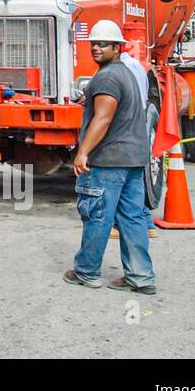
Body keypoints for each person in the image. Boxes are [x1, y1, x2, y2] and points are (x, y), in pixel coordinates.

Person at [63, 18, 157, 295]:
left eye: (103, 44)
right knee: (133, 218)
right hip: (133, 158)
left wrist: (83, 152)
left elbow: (103, 119)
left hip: (109, 160)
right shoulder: (126, 72)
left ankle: (87, 271)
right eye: (93, 44)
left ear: (117, 48)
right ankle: (140, 277)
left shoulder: (106, 77)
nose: (96, 48)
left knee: (97, 215)